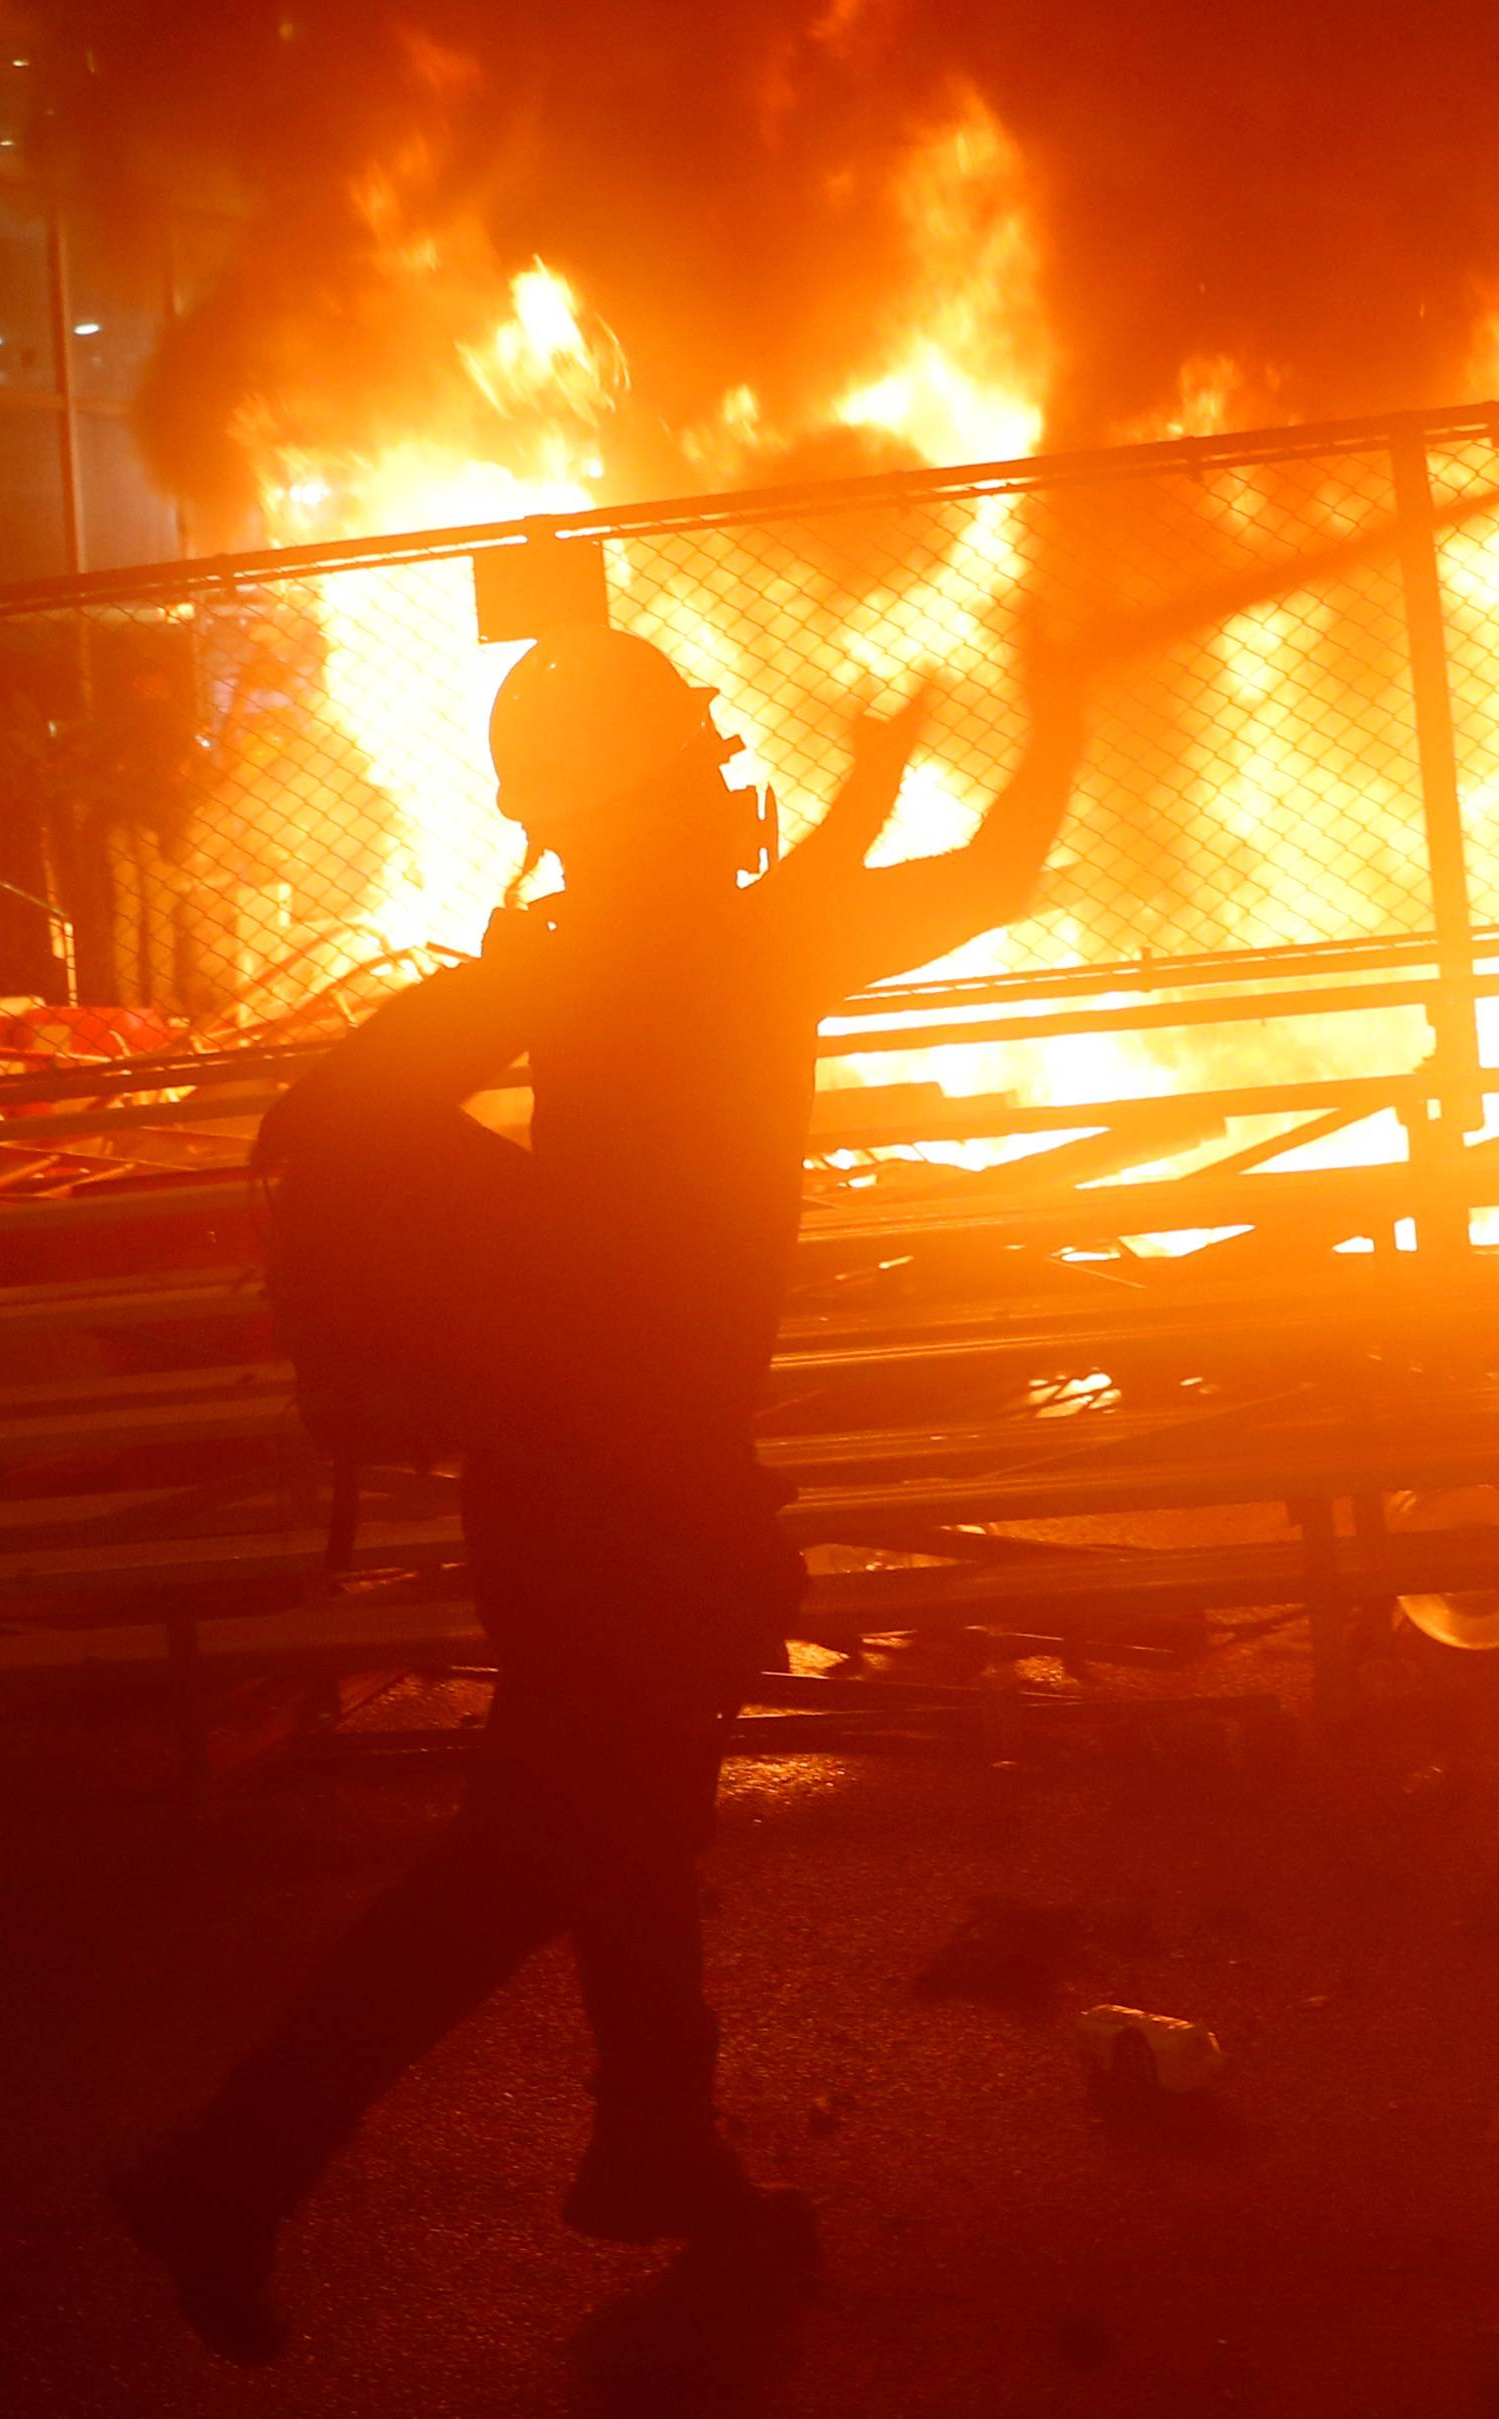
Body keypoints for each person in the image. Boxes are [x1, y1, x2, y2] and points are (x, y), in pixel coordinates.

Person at [112, 622, 1087, 2361]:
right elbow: (1004, 867)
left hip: (566, 1475)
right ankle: (235, 2163)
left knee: (622, 1828)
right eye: (697, 755)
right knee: (537, 1852)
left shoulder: (588, 953)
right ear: (653, 787)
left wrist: (865, 779)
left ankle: (656, 2146)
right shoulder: (729, 941)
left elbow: (332, 1115)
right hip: (637, 1493)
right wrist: (1067, 689)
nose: (728, 776)